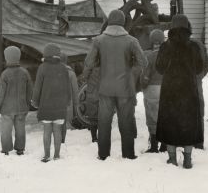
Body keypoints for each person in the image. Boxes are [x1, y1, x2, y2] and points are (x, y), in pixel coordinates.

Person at [84, 9, 147, 160]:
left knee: (104, 122)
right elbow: (143, 62)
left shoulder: (99, 40)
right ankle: (128, 154)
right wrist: (131, 75)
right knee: (125, 121)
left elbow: (89, 62)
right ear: (123, 22)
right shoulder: (131, 41)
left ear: (109, 22)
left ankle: (103, 154)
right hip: (126, 88)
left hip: (105, 87)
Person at [155, 14, 204, 169]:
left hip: (170, 90)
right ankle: (188, 159)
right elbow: (199, 68)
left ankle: (172, 159)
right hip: (189, 90)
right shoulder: (194, 46)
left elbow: (159, 68)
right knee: (188, 123)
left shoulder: (165, 46)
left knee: (170, 123)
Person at [32, 43, 71, 162]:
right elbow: (67, 87)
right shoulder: (63, 68)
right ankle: (57, 155)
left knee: (47, 130)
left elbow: (37, 87)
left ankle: (46, 155)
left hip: (46, 105)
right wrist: (68, 101)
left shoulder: (42, 67)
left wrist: (35, 101)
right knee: (57, 130)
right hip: (60, 105)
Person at [0, 46, 33, 155]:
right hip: (21, 107)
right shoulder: (25, 72)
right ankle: (20, 149)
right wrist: (27, 102)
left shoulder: (5, 74)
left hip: (7, 109)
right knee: (20, 129)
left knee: (6, 130)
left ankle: (6, 149)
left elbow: (0, 93)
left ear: (7, 58)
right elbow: (30, 90)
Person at [140, 28, 166, 153]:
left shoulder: (149, 56)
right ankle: (165, 145)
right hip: (168, 88)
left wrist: (142, 85)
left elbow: (145, 76)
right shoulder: (170, 55)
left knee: (152, 117)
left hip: (152, 89)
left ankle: (154, 146)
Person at [191, 33, 208, 149]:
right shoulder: (199, 44)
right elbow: (207, 64)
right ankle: (198, 143)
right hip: (196, 82)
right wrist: (199, 76)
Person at [60, 52, 79, 144]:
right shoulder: (71, 73)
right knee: (64, 122)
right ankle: (62, 140)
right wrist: (76, 106)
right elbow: (75, 91)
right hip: (67, 103)